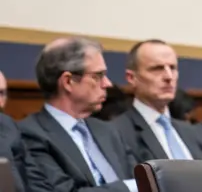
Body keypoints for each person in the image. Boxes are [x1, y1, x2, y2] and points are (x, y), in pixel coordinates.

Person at [19, 37, 138, 192]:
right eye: (98, 75)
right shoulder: (30, 135)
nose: (107, 84)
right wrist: (129, 188)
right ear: (68, 81)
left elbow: (141, 179)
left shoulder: (109, 131)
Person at [112, 39, 202, 163]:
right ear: (132, 78)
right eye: (157, 68)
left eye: (173, 68)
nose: (169, 76)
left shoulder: (192, 132)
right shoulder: (117, 132)